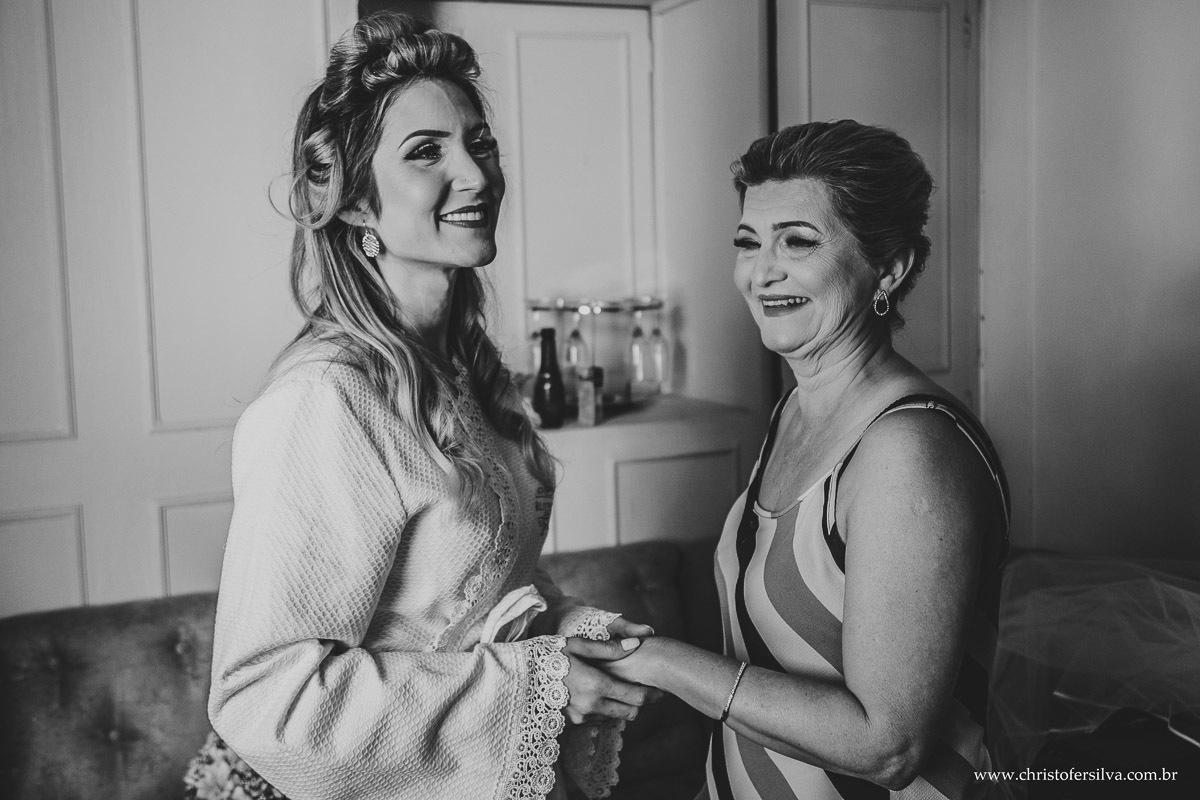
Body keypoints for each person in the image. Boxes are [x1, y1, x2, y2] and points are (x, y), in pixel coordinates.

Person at [182, 12, 656, 800]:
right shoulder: (326, 401)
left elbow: (463, 602)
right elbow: (266, 699)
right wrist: (534, 685)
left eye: (480, 143)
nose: (476, 175)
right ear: (354, 201)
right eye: (426, 152)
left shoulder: (466, 375)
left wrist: (567, 632)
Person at [601, 120, 1010, 799]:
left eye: (798, 241)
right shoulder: (796, 409)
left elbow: (887, 746)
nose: (762, 271)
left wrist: (662, 662)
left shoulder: (909, 449)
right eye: (748, 242)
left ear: (890, 267)